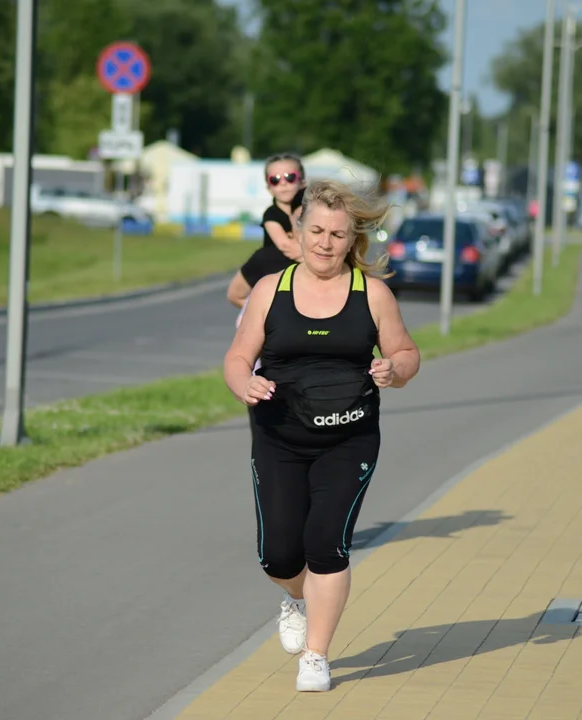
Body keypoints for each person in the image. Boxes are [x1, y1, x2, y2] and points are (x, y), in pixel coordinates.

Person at [223, 179, 420, 692]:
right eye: (316, 231)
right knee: (280, 555)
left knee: (326, 546)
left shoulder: (372, 293)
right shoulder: (271, 290)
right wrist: (243, 381)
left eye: (336, 234)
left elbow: (407, 353)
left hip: (348, 440)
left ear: (351, 238)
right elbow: (238, 356)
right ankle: (295, 598)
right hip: (278, 436)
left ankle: (316, 655)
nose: (325, 243)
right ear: (300, 229)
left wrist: (393, 371)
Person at [227, 153, 307, 312]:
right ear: (269, 188)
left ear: (303, 182)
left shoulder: (310, 210)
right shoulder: (271, 214)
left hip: (300, 271)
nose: (283, 184)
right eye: (275, 180)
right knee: (237, 295)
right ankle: (264, 315)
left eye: (290, 177)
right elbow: (286, 246)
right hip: (273, 265)